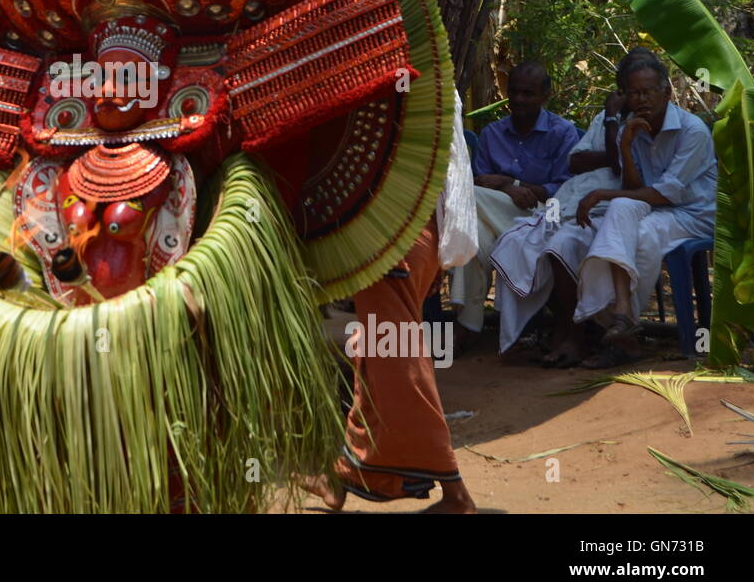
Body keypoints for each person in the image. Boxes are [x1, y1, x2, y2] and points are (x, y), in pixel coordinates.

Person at [491, 54, 717, 367]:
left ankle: (624, 335)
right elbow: (634, 187)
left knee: (643, 234)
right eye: (633, 93)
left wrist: (601, 193)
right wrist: (624, 146)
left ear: (667, 93)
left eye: (648, 91)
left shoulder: (691, 131)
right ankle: (621, 315)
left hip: (692, 213)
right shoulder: (634, 128)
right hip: (654, 207)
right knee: (621, 210)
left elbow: (665, 193)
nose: (640, 99)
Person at [300, 220, 476, 513]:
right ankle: (338, 478)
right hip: (407, 235)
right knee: (375, 358)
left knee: (397, 364)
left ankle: (456, 493)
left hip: (392, 240)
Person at [449, 62, 580, 342]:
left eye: (528, 93)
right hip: (497, 214)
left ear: (545, 96)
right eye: (515, 92)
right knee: (473, 235)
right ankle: (469, 325)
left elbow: (566, 188)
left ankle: (465, 325)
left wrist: (512, 186)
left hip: (544, 216)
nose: (519, 100)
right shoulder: (492, 134)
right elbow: (485, 182)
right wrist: (512, 187)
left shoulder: (562, 132)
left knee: (464, 197)